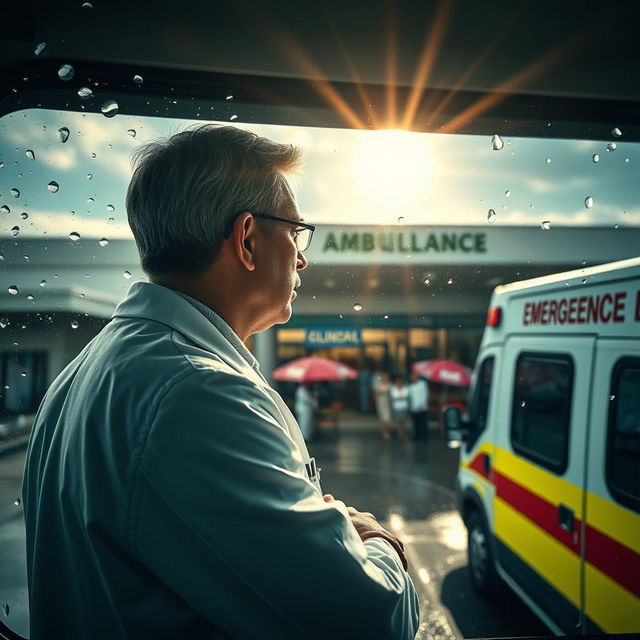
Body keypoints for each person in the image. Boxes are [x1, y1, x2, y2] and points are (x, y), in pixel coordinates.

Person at [21, 125, 419, 639]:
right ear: (248, 239)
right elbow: (370, 623)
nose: (302, 258)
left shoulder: (84, 373)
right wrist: (379, 542)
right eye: (296, 233)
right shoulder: (199, 396)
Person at [408, 371, 429, 441]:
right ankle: (417, 436)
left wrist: (423, 404)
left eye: (414, 376)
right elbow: (410, 397)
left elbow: (425, 394)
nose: (413, 378)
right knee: (415, 423)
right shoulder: (411, 386)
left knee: (423, 423)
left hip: (422, 407)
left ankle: (424, 437)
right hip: (414, 407)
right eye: (412, 377)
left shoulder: (422, 383)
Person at [373, 371, 393, 440]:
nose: (386, 378)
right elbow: (376, 394)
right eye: (384, 376)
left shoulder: (390, 384)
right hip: (381, 402)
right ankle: (384, 432)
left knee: (387, 418)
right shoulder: (379, 384)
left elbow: (392, 394)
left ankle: (386, 432)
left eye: (387, 376)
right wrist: (377, 402)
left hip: (388, 402)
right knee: (383, 419)